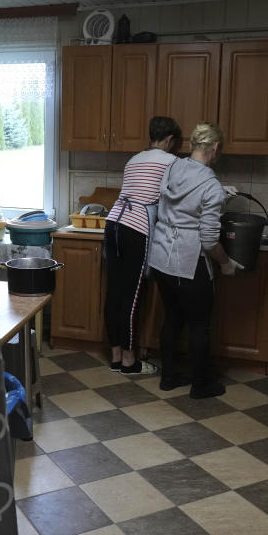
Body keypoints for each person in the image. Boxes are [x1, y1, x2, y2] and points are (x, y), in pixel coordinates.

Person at [148, 122, 243, 399]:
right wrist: (226, 263)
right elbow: (210, 240)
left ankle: (168, 377)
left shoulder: (172, 167)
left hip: (162, 258)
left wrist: (219, 196)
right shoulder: (211, 185)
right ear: (215, 148)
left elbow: (182, 202)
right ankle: (201, 385)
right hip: (189, 262)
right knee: (200, 325)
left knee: (173, 318)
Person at [103, 116, 183, 375]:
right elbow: (178, 198)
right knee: (132, 295)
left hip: (113, 223)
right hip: (137, 228)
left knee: (114, 292)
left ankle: (116, 356)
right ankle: (129, 361)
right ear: (170, 140)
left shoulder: (133, 159)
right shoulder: (172, 162)